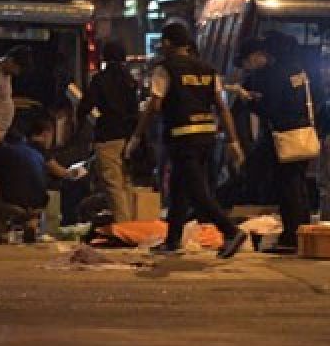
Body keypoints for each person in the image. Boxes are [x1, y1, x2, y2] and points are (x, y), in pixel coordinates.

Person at [127, 22, 247, 258]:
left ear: (168, 43)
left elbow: (155, 106)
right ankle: (173, 240)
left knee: (197, 192)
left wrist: (137, 136)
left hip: (182, 138)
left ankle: (231, 231)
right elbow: (222, 107)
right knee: (179, 190)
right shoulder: (207, 69)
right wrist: (233, 141)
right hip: (206, 137)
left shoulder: (166, 69)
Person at [230, 36, 315, 254]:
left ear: (259, 54)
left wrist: (249, 100)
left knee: (288, 188)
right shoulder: (297, 69)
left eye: (249, 61)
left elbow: (271, 108)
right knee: (298, 186)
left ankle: (291, 237)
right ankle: (302, 235)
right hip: (302, 134)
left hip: (285, 136)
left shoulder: (277, 74)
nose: (249, 67)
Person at [0, 115, 85, 244]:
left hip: (11, 203)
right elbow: (60, 174)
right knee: (29, 192)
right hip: (38, 206)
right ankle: (30, 224)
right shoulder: (36, 152)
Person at [76, 40, 139, 222]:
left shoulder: (100, 80)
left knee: (112, 182)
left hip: (107, 135)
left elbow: (85, 106)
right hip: (128, 137)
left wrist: (80, 124)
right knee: (126, 181)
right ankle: (132, 223)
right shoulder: (130, 81)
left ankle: (123, 224)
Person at [0, 45, 32, 145]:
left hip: (1, 130)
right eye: (18, 69)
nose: (17, 73)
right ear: (10, 60)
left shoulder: (7, 73)